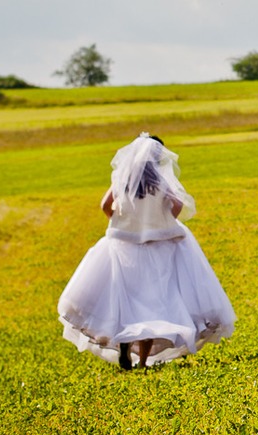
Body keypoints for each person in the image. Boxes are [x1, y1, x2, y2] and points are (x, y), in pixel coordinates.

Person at [58, 133, 235, 369]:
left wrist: (121, 222)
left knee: (125, 298)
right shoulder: (159, 182)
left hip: (123, 246)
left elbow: (105, 205)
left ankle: (124, 342)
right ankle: (142, 361)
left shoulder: (123, 180)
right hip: (156, 248)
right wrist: (162, 222)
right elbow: (177, 205)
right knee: (151, 303)